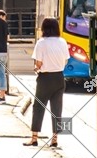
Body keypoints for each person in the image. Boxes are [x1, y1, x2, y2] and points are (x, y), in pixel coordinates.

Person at [26, 17, 68, 147]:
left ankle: (34, 138)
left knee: (38, 107)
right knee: (57, 109)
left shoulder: (41, 43)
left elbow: (38, 63)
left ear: (44, 28)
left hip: (45, 78)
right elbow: (65, 60)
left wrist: (36, 68)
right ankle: (55, 139)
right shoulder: (62, 42)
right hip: (59, 78)